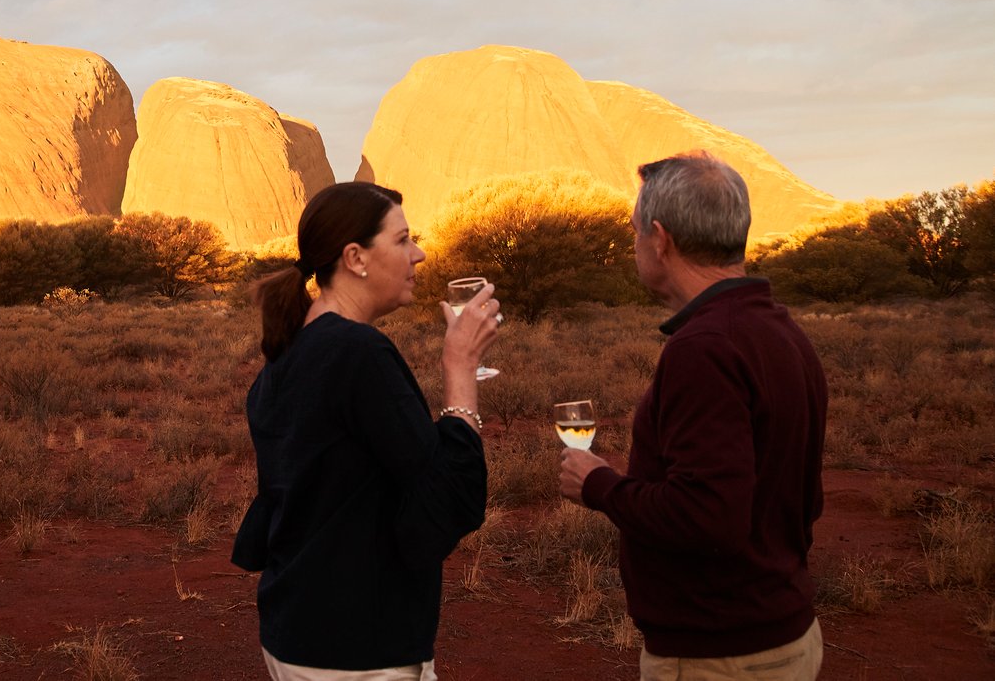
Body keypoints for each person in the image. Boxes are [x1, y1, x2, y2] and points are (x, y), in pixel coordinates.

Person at [560, 152, 828, 681]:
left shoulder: (704, 347)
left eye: (635, 230)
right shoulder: (777, 328)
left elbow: (707, 516)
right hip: (780, 631)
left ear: (661, 238)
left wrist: (600, 485)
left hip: (720, 654)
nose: (635, 243)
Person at [233, 181, 497, 680]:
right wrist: (461, 369)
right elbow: (450, 498)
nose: (418, 254)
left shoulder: (291, 350)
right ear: (355, 257)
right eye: (402, 240)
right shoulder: (358, 353)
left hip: (300, 629)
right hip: (357, 651)